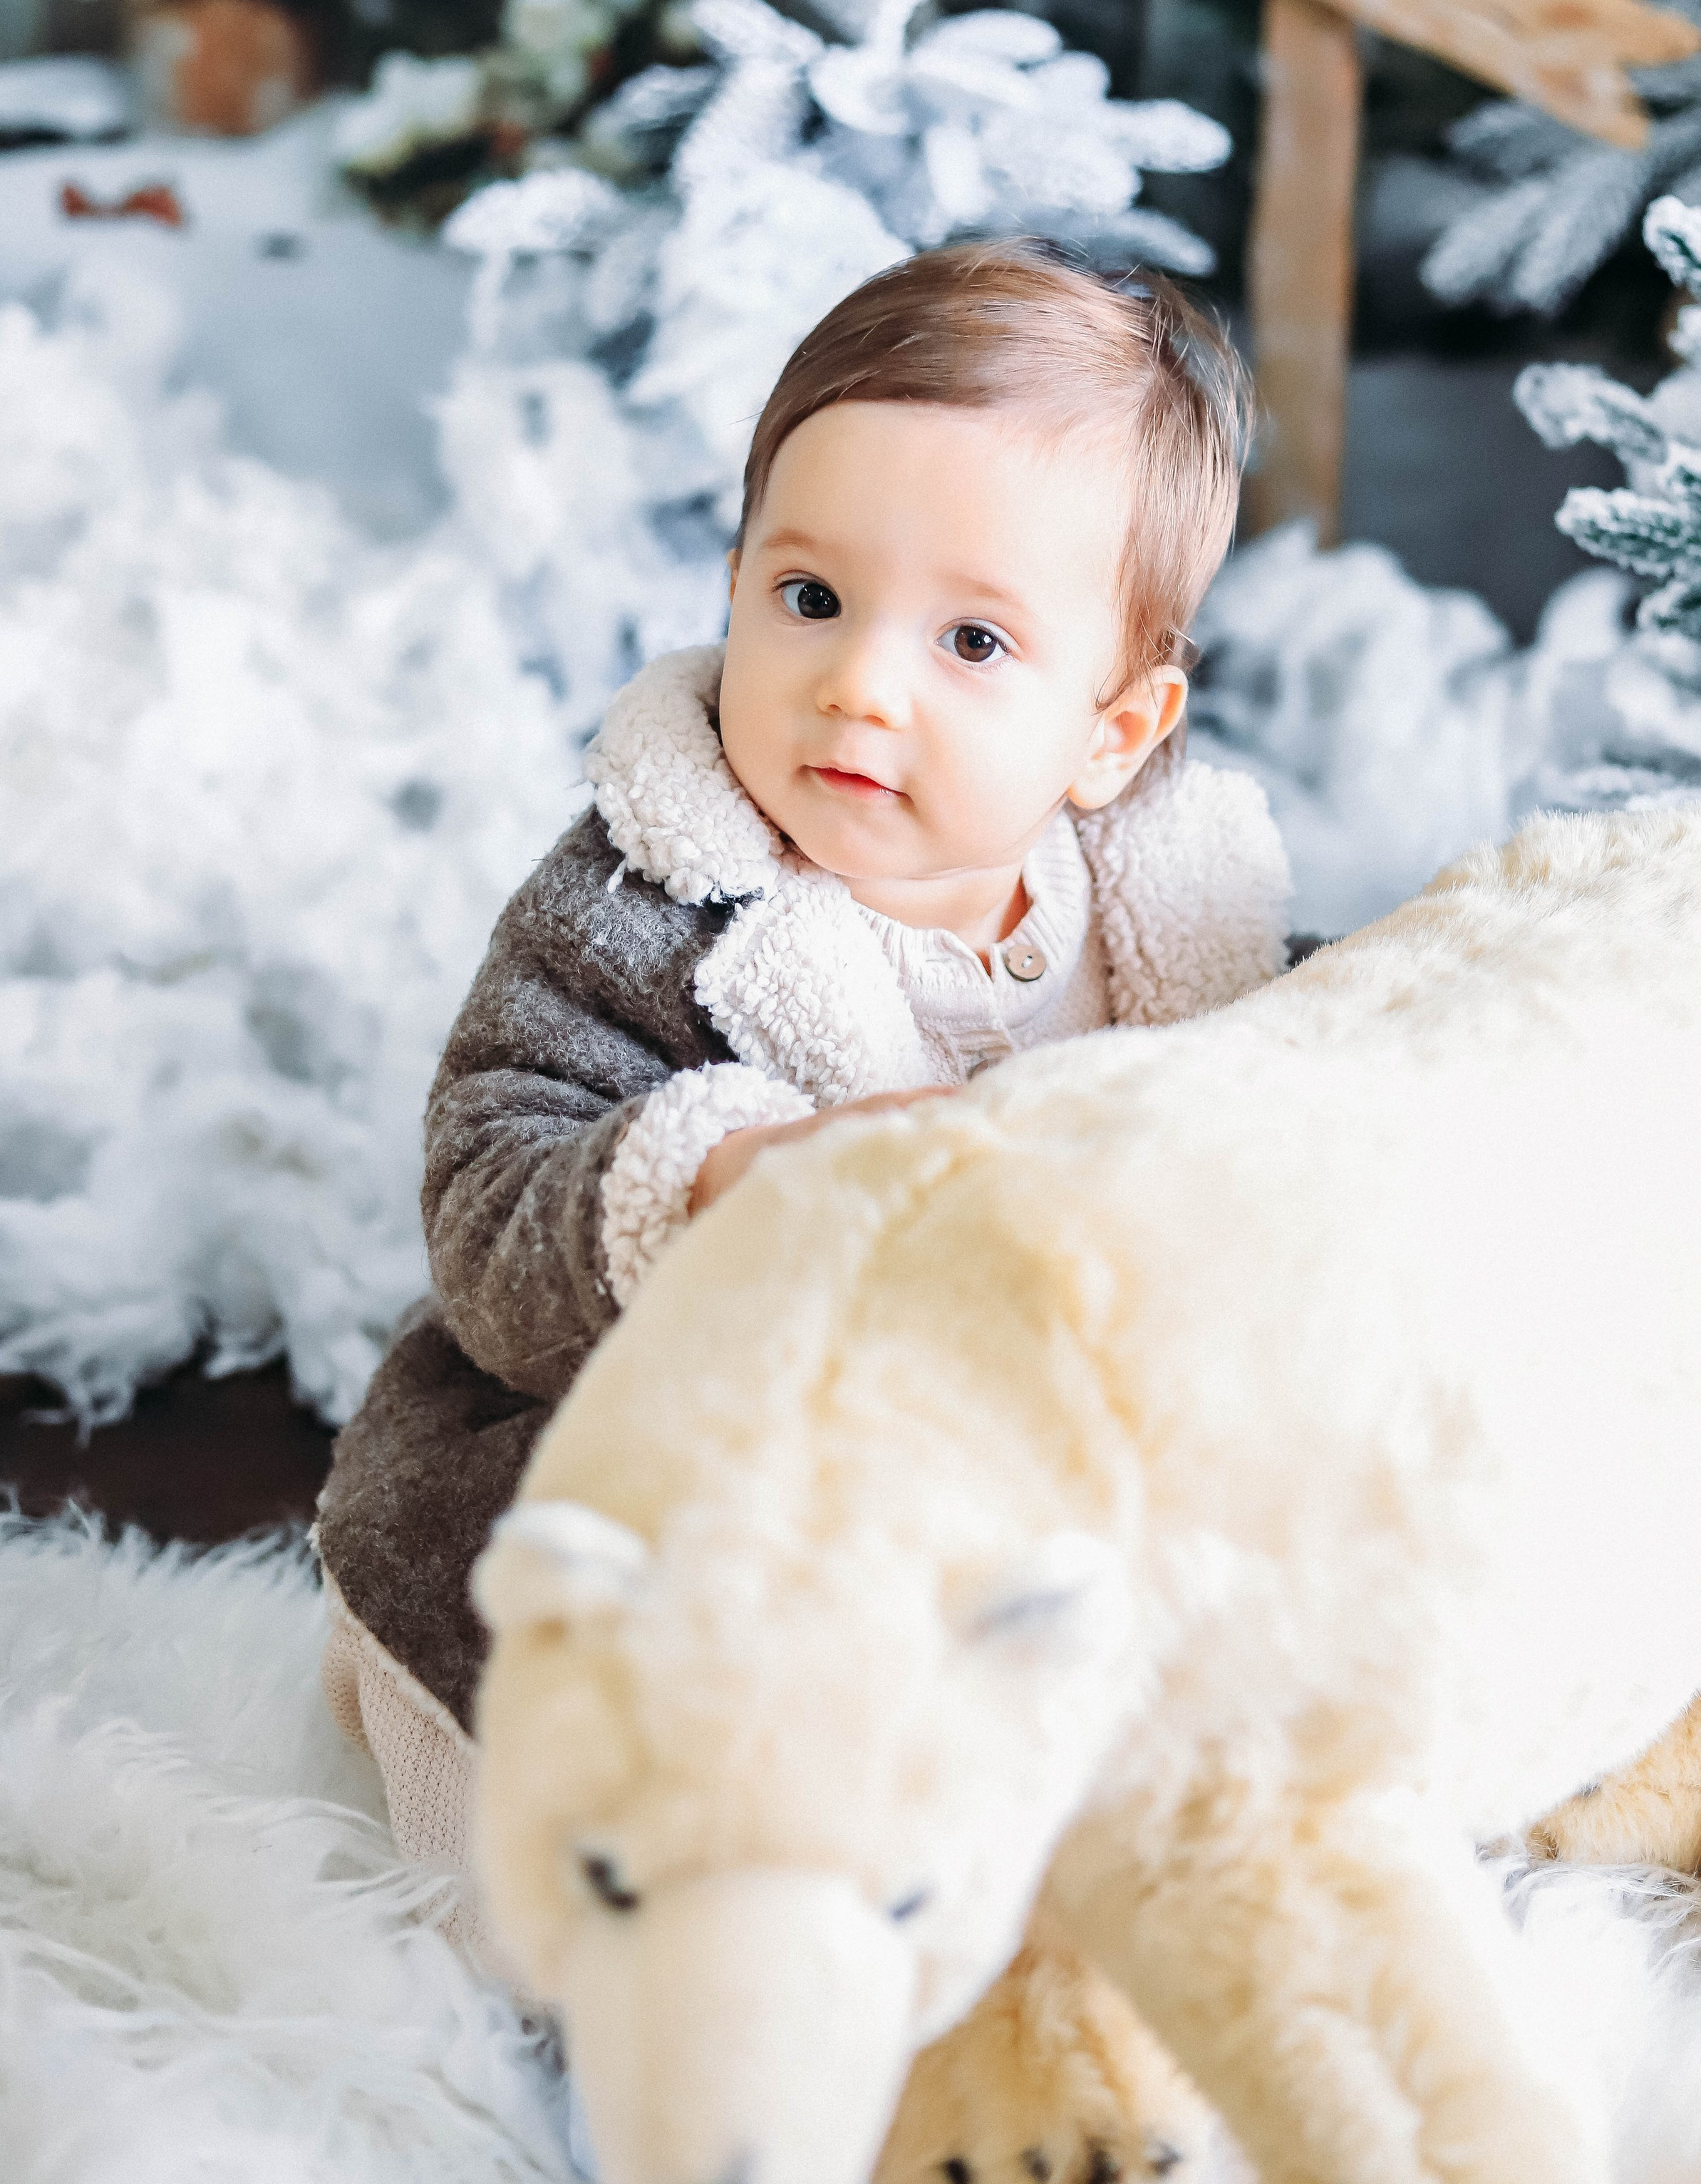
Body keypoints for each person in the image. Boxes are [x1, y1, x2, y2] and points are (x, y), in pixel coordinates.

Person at [315, 237, 1291, 1955]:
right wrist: (725, 1179)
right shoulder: (642, 896)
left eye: (973, 637)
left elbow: (1298, 1096)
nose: (859, 682)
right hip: (643, 1458)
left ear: (1111, 731)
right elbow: (487, 1195)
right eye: (809, 597)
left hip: (980, 1473)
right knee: (583, 1858)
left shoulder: (1174, 904)